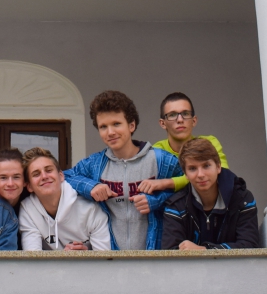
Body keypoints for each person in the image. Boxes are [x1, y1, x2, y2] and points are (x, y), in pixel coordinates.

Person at [62, 90, 181, 250]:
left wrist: (157, 200)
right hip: (112, 256)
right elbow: (65, 177)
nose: (110, 132)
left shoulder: (161, 160)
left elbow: (189, 188)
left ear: (131, 125)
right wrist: (91, 186)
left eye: (116, 124)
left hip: (155, 255)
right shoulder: (95, 164)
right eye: (103, 127)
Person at [160, 137, 261, 249]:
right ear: (185, 174)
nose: (200, 174)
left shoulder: (242, 199)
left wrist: (204, 250)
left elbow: (250, 245)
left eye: (206, 166)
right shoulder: (176, 206)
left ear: (218, 167)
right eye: (192, 168)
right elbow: (170, 253)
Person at [18, 147, 111, 251]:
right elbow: (32, 256)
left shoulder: (91, 209)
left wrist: (85, 256)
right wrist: (63, 257)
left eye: (49, 170)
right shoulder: (28, 210)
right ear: (29, 186)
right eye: (36, 174)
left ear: (61, 176)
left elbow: (104, 257)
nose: (44, 176)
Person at [149, 92, 227, 193]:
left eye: (185, 114)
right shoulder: (157, 152)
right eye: (172, 115)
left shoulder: (209, 143)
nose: (180, 120)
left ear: (194, 121)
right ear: (163, 123)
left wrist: (168, 183)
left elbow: (224, 175)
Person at [0, 147, 27, 213]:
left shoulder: (32, 201)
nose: (10, 184)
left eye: (16, 177)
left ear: (25, 180)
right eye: (3, 178)